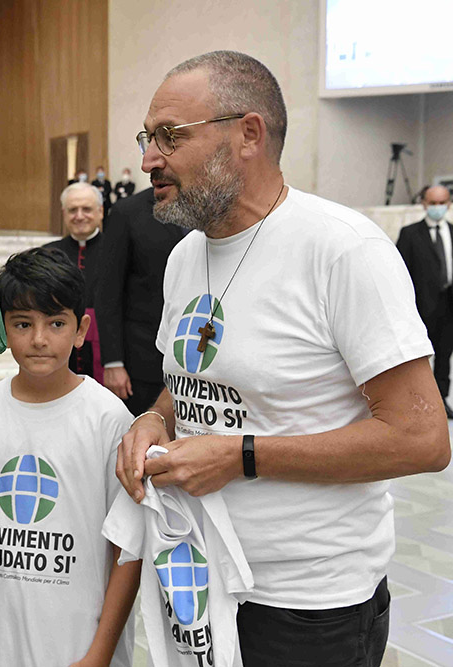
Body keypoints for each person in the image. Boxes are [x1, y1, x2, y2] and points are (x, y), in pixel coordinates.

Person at [117, 50, 450, 665]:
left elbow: (424, 439)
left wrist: (241, 457)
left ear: (248, 134)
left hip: (309, 607)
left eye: (169, 136)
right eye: (147, 137)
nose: (148, 160)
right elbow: (183, 386)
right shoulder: (185, 257)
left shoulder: (343, 251)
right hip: (198, 582)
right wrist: (153, 420)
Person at [0, 247, 141, 667]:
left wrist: (99, 654)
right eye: (23, 324)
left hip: (77, 647)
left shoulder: (108, 419)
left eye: (56, 323)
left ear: (81, 329)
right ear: (2, 327)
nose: (39, 339)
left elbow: (129, 547)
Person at [95, 188, 185, 415]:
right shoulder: (127, 212)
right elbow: (108, 291)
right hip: (143, 363)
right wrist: (113, 362)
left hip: (197, 357)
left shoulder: (210, 206)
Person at [396, 185, 453, 419]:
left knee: (444, 354)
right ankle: (417, 403)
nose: (437, 207)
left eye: (442, 203)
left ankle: (441, 399)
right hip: (420, 306)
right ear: (424, 204)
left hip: (449, 305)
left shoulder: (452, 231)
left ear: (449, 204)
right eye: (433, 203)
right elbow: (400, 271)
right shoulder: (410, 234)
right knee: (417, 358)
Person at [43, 182, 107, 383]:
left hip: (107, 346)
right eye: (72, 210)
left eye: (86, 209)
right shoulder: (49, 253)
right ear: (64, 213)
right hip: (61, 342)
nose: (79, 216)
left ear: (100, 212)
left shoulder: (117, 248)